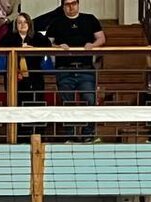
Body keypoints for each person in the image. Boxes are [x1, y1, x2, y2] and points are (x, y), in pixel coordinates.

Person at [44, 0, 106, 141]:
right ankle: (70, 135)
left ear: (78, 4)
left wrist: (93, 45)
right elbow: (47, 43)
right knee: (67, 103)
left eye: (73, 3)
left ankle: (88, 134)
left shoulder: (89, 19)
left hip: (86, 68)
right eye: (67, 4)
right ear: (63, 6)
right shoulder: (56, 22)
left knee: (89, 99)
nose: (71, 7)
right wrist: (58, 47)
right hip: (64, 69)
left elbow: (101, 38)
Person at [3, 13, 51, 123]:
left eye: (25, 22)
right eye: (19, 22)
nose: (23, 24)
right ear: (16, 25)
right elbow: (0, 48)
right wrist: (19, 48)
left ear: (29, 24)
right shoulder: (9, 37)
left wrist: (33, 49)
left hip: (34, 75)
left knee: (35, 103)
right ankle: (19, 130)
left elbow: (48, 46)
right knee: (18, 104)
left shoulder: (37, 36)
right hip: (15, 75)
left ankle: (35, 129)